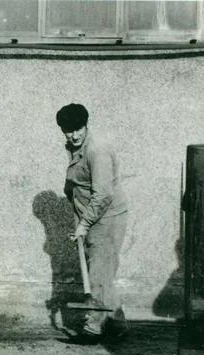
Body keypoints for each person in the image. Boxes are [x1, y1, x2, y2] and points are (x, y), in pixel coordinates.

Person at [56, 103, 129, 341]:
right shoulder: (76, 145)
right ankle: (117, 324)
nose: (74, 135)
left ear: (86, 125)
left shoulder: (97, 150)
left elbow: (103, 194)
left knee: (98, 273)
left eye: (78, 129)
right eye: (68, 130)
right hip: (91, 215)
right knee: (103, 271)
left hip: (106, 218)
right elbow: (78, 184)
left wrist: (84, 224)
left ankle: (93, 327)